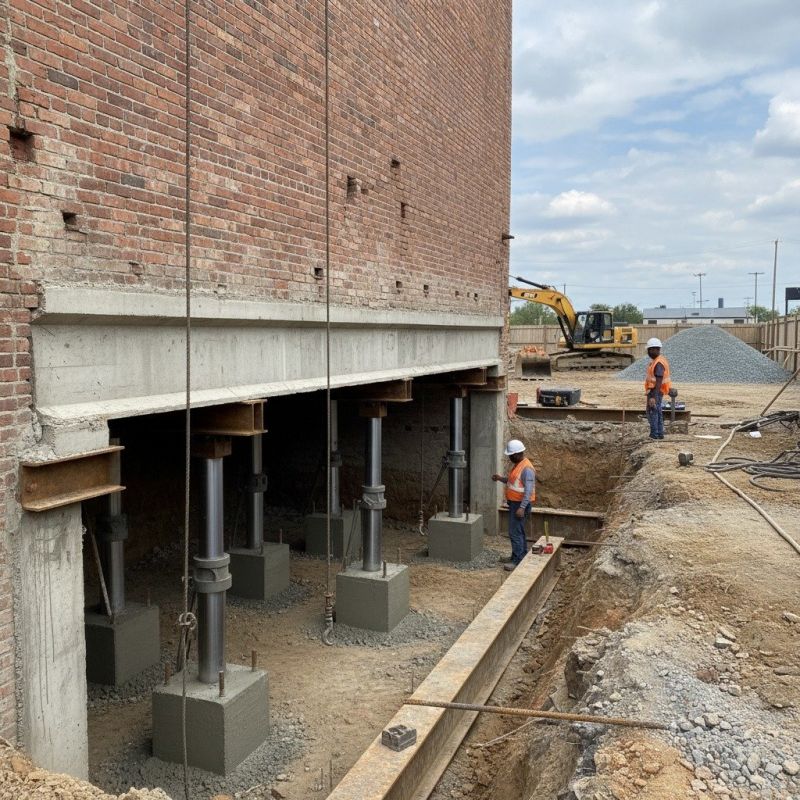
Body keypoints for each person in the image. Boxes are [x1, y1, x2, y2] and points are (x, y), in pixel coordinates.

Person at [492, 439, 535, 571]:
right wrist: (500, 478)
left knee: (515, 532)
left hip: (520, 505)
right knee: (519, 531)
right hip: (515, 504)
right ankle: (519, 555)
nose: (509, 458)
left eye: (510, 455)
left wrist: (522, 507)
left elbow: (528, 490)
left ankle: (517, 560)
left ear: (517, 454)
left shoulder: (526, 469)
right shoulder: (519, 465)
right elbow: (512, 482)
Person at [644, 337, 671, 440]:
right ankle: (659, 434)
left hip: (656, 391)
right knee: (658, 411)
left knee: (653, 412)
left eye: (650, 350)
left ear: (655, 349)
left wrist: (653, 397)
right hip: (655, 391)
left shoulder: (658, 363)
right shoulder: (657, 361)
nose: (649, 352)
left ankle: (654, 434)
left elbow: (659, 381)